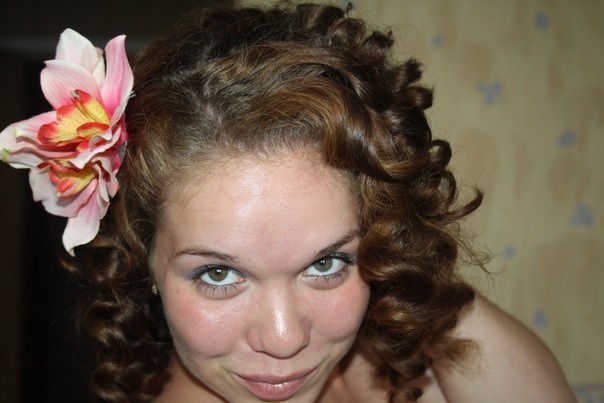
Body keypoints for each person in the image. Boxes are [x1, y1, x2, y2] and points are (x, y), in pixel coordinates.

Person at [0, 1, 575, 402]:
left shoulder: (386, 354)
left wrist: (415, 261)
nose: (284, 339)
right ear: (143, 261)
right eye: (219, 273)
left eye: (326, 263)